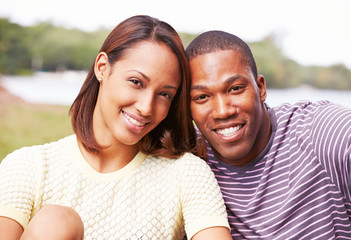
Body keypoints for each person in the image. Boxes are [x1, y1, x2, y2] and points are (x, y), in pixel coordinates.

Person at [0, 16, 232, 240]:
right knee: (57, 221)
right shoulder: (29, 167)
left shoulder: (187, 175)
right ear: (102, 67)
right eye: (136, 82)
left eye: (164, 94)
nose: (146, 108)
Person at [186, 30, 351, 239]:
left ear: (260, 88)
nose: (223, 111)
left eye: (235, 89)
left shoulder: (319, 132)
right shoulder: (188, 159)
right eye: (202, 97)